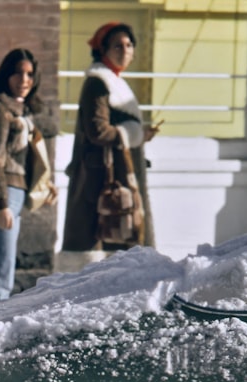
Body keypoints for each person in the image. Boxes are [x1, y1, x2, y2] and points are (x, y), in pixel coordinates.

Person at [61, 22, 159, 262]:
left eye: (129, 45)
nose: (124, 50)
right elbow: (98, 130)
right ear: (102, 50)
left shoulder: (116, 82)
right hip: (102, 181)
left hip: (119, 174)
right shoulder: (98, 82)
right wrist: (134, 133)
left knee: (120, 246)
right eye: (117, 45)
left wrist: (139, 134)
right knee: (102, 249)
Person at [0, 48, 50, 306]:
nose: (24, 80)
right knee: (0, 281)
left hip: (12, 196)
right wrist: (1, 203)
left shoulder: (23, 112)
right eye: (18, 73)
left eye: (30, 74)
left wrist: (44, 185)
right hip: (1, 196)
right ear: (6, 75)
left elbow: (24, 159)